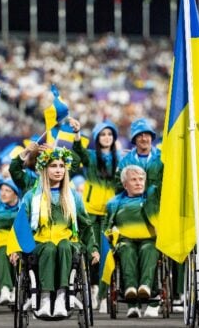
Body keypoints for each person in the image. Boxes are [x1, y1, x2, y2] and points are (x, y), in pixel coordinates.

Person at [9, 147, 99, 318]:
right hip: (40, 243)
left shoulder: (73, 196)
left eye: (61, 166)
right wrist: (14, 248)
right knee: (50, 248)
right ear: (44, 169)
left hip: (68, 242)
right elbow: (20, 224)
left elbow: (86, 225)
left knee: (64, 246)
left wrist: (93, 248)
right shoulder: (31, 196)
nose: (58, 170)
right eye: (53, 166)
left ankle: (61, 297)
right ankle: (44, 299)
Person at [68, 118, 121, 310]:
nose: (106, 137)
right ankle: (92, 288)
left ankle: (104, 295)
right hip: (90, 211)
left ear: (114, 138)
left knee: (107, 254)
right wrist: (77, 133)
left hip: (110, 214)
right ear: (97, 138)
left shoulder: (120, 159)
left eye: (110, 134)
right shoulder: (90, 156)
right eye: (103, 134)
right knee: (92, 251)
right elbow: (78, 151)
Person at [104, 165, 161, 319]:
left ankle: (145, 287)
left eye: (141, 179)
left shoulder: (152, 197)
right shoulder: (113, 203)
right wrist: (109, 237)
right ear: (124, 184)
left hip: (149, 238)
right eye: (134, 180)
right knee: (127, 251)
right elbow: (105, 227)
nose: (138, 183)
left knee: (148, 250)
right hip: (125, 239)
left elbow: (160, 179)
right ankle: (131, 298)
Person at [115, 118, 163, 192]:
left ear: (151, 137)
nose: (144, 139)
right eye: (140, 135)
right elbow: (118, 188)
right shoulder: (125, 161)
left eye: (147, 135)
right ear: (134, 139)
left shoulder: (162, 157)